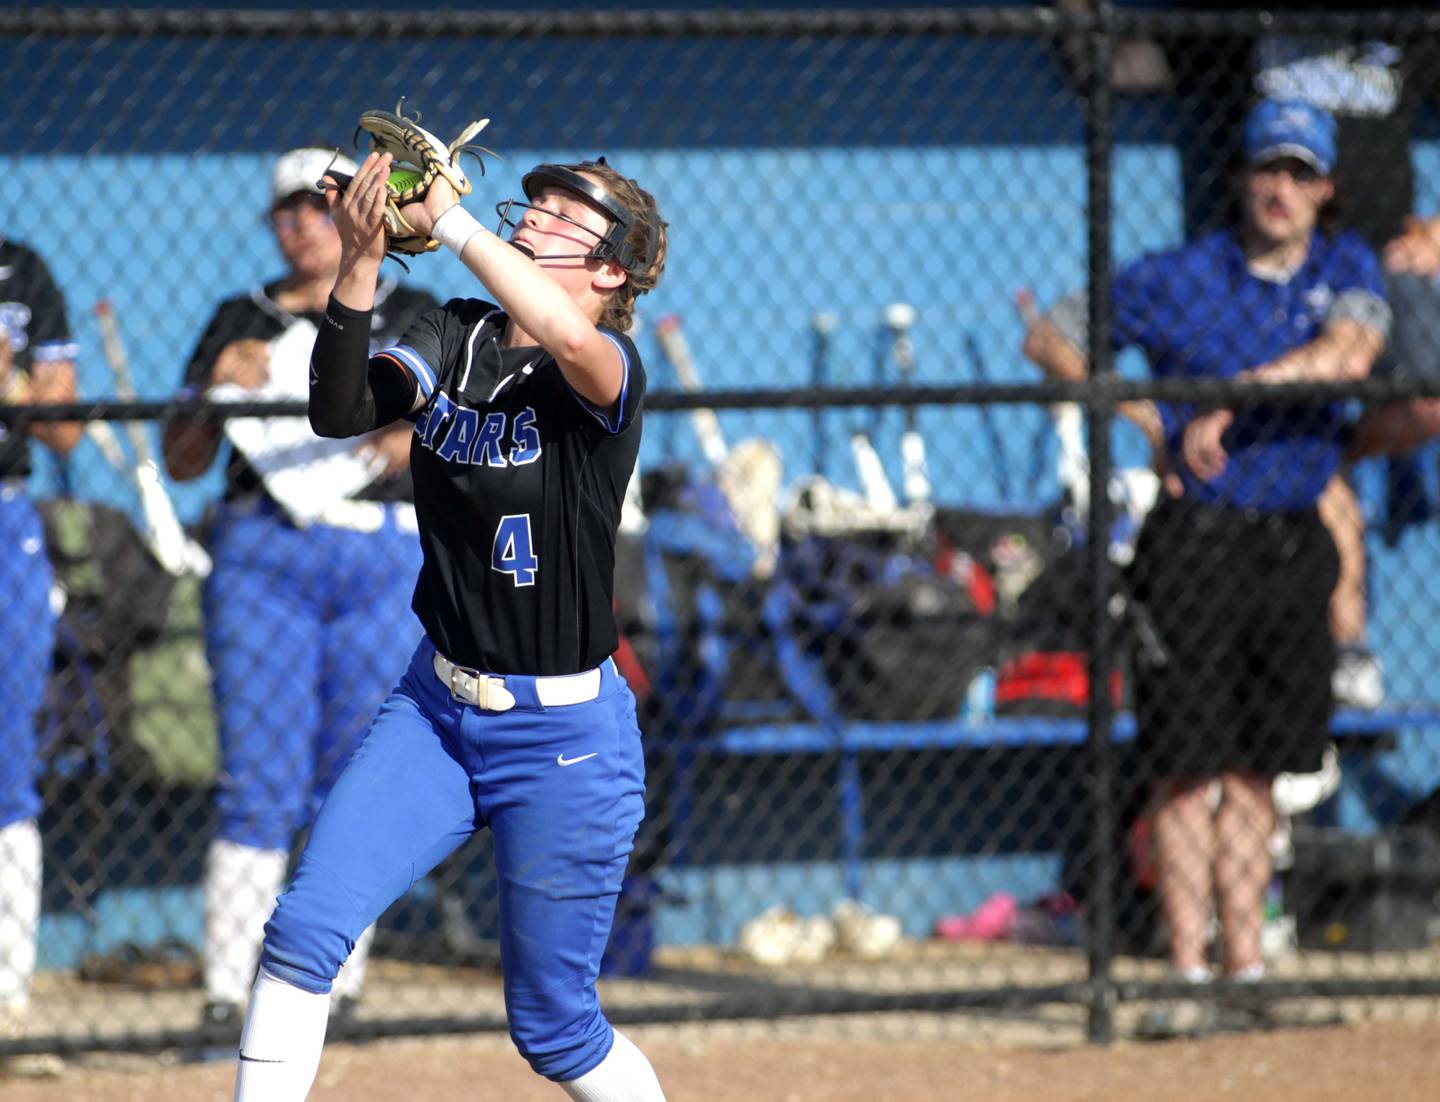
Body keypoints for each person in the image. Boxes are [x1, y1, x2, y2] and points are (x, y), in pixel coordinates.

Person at [228, 138, 668, 1102]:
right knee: (302, 935)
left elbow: (567, 334)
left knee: (555, 1029)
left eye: (565, 217)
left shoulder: (607, 372)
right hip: (437, 711)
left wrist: (454, 225)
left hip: (566, 737)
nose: (535, 215)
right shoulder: (455, 330)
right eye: (535, 205)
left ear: (610, 269)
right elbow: (339, 410)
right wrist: (361, 259)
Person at [1022, 101, 1388, 1010]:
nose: (1282, 189)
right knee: (1187, 765)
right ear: (1242, 177)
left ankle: (1246, 969)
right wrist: (1147, 418)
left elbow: (1349, 355)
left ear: (1327, 189)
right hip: (1194, 545)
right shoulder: (1180, 276)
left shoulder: (1344, 266)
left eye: (1302, 174)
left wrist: (1230, 400)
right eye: (1269, 169)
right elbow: (1051, 338)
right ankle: (1187, 969)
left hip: (1291, 542)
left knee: (1262, 768)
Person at [160, 148, 439, 1029]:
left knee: (355, 774)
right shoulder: (238, 317)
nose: (305, 225)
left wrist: (413, 440)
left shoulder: (417, 312)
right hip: (265, 550)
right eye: (288, 211)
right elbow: (181, 459)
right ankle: (226, 986)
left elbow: (469, 433)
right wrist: (212, 388)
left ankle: (331, 981)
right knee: (259, 774)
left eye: (324, 207)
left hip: (377, 550)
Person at [0, 236, 81, 1072]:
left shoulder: (20, 270)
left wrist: (11, 377)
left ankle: (7, 994)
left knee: (6, 757)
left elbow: (64, 427)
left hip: (5, 518)